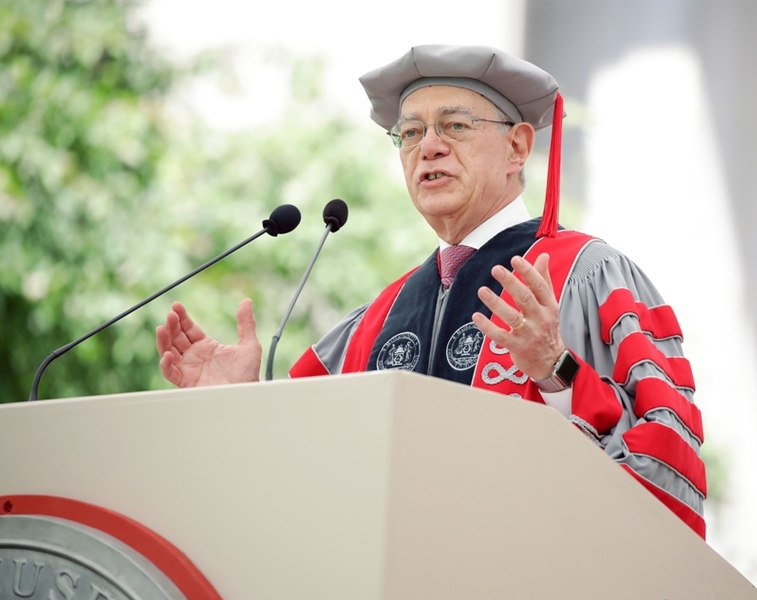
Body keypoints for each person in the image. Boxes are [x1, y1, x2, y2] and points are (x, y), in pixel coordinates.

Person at [156, 45, 707, 538]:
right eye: (412, 133)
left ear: (517, 147)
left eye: (456, 127)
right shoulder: (373, 321)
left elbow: (669, 475)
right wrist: (237, 407)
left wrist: (555, 369)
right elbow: (300, 492)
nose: (430, 148)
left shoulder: (589, 275)